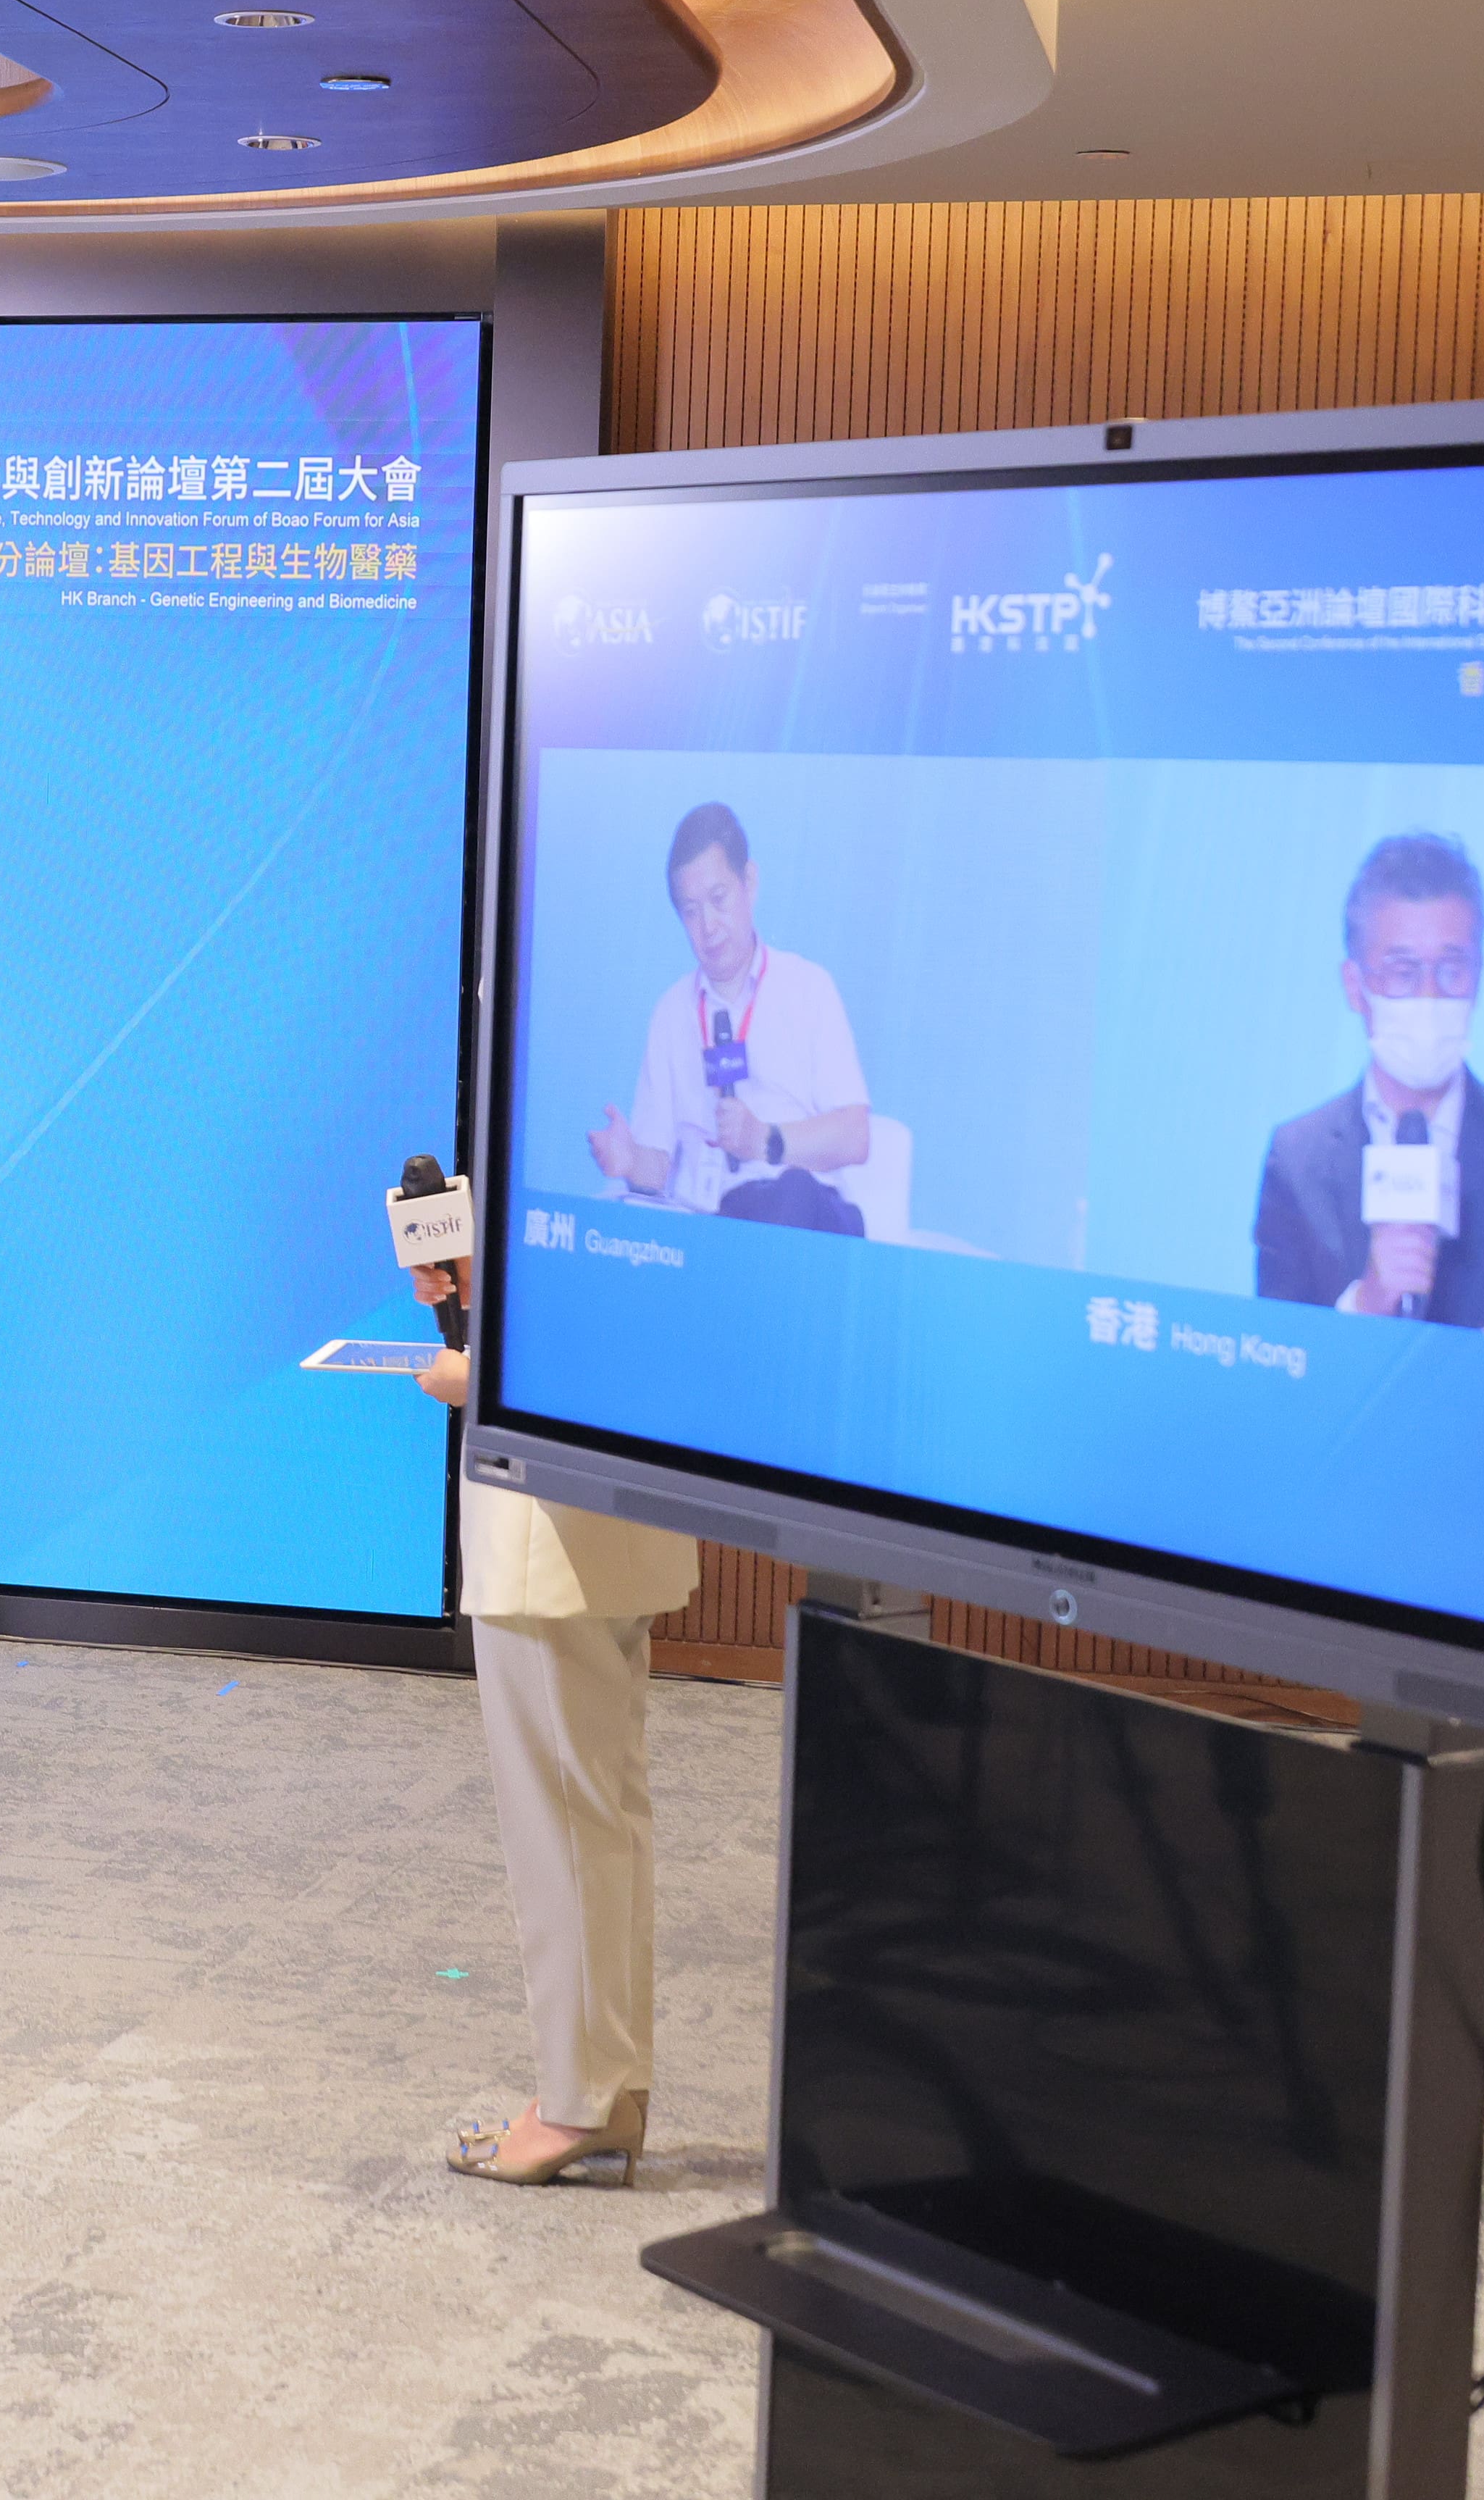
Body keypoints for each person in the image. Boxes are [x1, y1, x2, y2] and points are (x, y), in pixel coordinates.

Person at [408, 1253, 702, 2184]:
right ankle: (610, 2082)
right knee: (605, 1818)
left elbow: (565, 1306)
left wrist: (476, 1374)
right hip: (620, 1494)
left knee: (568, 1826)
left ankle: (580, 2100)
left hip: (548, 1516)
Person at [1254, 832, 1484, 1342]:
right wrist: (1362, 1306)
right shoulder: (1297, 1159)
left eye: (1452, 969)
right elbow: (1272, 1366)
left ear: (1479, 977)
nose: (1430, 994)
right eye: (1403, 971)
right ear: (1355, 986)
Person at [587, 801, 871, 1231]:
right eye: (691, 910)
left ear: (749, 883)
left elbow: (855, 1136)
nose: (708, 925)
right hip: (709, 1227)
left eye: (718, 900)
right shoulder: (671, 1013)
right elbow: (658, 1171)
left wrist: (766, 1141)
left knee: (790, 1194)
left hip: (803, 1224)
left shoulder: (808, 988)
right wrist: (630, 1161)